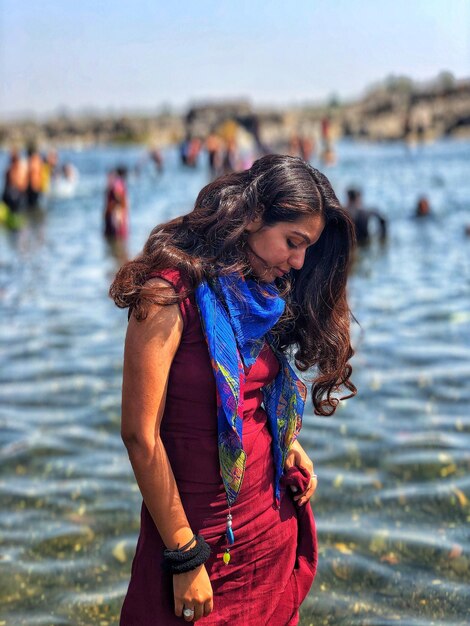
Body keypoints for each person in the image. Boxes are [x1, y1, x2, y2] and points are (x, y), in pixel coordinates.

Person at [110, 154, 357, 625]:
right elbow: (140, 437)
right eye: (293, 242)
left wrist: (289, 443)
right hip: (198, 539)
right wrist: (184, 553)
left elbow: (251, 394)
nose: (300, 261)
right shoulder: (167, 293)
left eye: (307, 248)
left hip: (269, 530)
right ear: (252, 217)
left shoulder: (255, 290)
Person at [104, 166, 129, 240]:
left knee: (117, 239)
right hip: (115, 215)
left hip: (115, 216)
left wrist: (117, 215)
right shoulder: (118, 183)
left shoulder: (116, 183)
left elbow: (117, 198)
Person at [2, 149, 27, 214]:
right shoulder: (8, 170)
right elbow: (6, 187)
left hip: (17, 195)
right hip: (10, 195)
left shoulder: (21, 169)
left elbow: (23, 185)